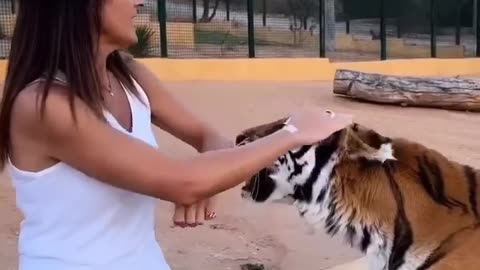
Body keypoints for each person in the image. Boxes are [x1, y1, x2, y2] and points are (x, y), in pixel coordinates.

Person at [0, 0, 353, 270]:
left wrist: (208, 177)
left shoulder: (128, 75)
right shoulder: (44, 105)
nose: (140, 2)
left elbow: (204, 135)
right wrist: (294, 132)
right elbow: (181, 182)